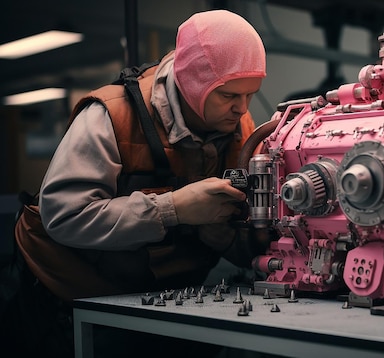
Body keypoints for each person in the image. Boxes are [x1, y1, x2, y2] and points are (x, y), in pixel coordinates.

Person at [4, 9, 271, 358]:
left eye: (250, 95)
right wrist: (173, 209)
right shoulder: (110, 115)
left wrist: (225, 237)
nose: (242, 109)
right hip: (65, 292)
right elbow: (64, 216)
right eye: (229, 95)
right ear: (191, 81)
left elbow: (252, 237)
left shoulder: (241, 131)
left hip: (157, 298)